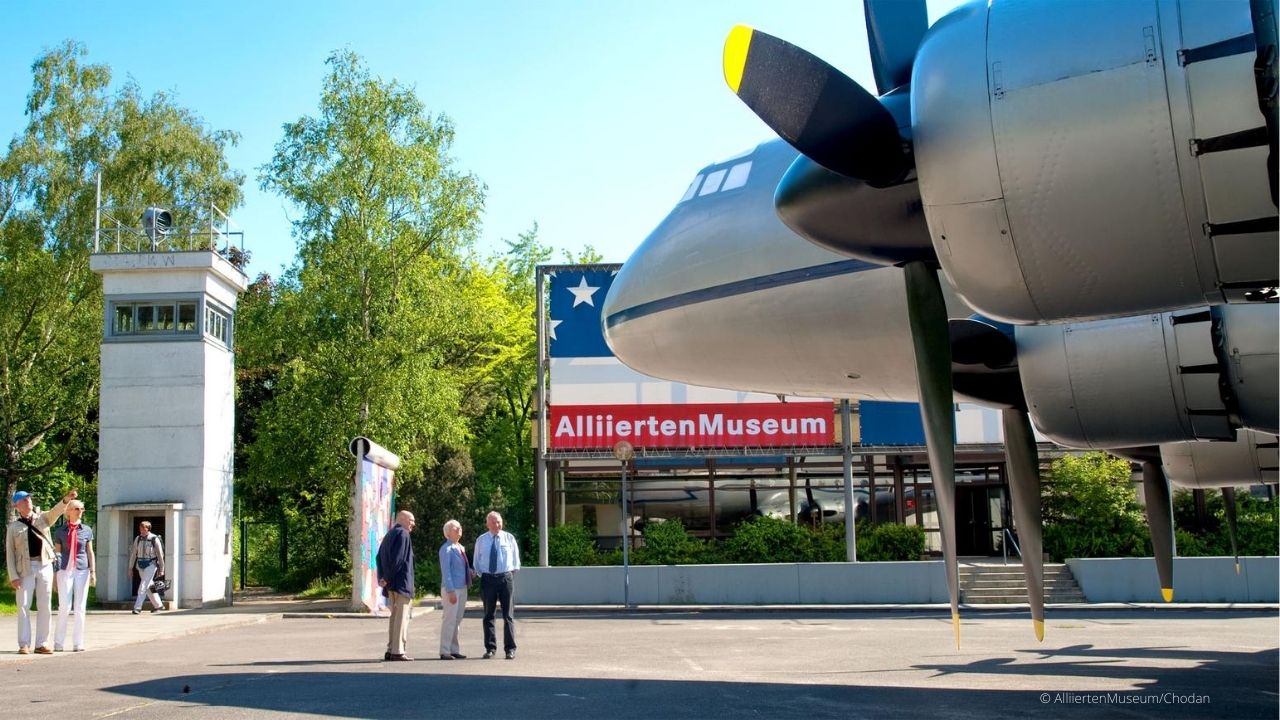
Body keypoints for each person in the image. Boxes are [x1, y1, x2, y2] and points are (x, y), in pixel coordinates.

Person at [5, 488, 76, 654]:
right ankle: (24, 644)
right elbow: (10, 553)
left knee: (45, 605)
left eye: (29, 498)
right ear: (17, 505)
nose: (28, 500)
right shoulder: (13, 527)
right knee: (23, 605)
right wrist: (13, 576)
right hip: (24, 568)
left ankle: (42, 643)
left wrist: (65, 500)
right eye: (23, 500)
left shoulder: (42, 517)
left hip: (44, 564)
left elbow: (55, 512)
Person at [474, 510, 520, 659]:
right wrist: (484, 575)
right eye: (493, 522)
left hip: (505, 579)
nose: (497, 524)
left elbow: (515, 560)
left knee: (508, 615)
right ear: (487, 524)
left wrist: (508, 575)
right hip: (488, 580)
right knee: (488, 615)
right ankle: (490, 648)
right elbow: (476, 561)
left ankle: (510, 649)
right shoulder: (481, 540)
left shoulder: (509, 538)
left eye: (499, 521)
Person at [52, 500, 96, 651]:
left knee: (80, 607)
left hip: (82, 570)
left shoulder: (87, 530)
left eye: (82, 509)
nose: (80, 511)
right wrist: (54, 576)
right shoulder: (60, 531)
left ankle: (78, 643)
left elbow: (90, 552)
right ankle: (58, 643)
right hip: (64, 570)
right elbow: (57, 554)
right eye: (77, 508)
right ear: (68, 511)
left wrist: (93, 572)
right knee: (64, 606)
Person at [377, 510, 416, 661]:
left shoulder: (389, 534)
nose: (413, 523)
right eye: (411, 520)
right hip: (401, 583)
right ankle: (398, 651)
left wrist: (383, 578)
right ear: (403, 519)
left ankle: (391, 648)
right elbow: (399, 560)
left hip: (392, 584)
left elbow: (379, 556)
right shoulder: (403, 534)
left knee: (394, 617)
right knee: (401, 617)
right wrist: (386, 577)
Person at [438, 519, 472, 660]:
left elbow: (458, 568)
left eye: (460, 527)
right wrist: (450, 591)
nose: (459, 529)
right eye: (455, 528)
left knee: (457, 620)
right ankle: (445, 650)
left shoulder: (460, 547)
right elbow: (446, 572)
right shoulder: (446, 549)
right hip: (452, 589)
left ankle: (454, 649)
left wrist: (470, 571)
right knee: (449, 619)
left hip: (462, 587)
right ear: (447, 533)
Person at [126, 521, 165, 614]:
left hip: (151, 564)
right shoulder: (138, 538)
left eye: (143, 528)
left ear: (148, 529)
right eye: (140, 528)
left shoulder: (154, 538)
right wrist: (130, 568)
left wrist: (162, 569)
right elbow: (133, 554)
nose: (141, 530)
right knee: (149, 586)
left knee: (143, 585)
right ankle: (159, 605)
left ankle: (137, 607)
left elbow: (160, 554)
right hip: (140, 565)